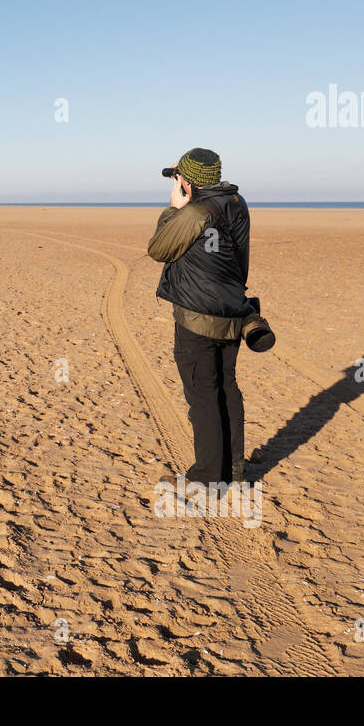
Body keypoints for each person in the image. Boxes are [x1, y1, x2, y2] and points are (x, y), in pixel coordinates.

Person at [146, 147, 266, 484]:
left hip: (198, 317)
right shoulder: (236, 203)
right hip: (233, 308)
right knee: (227, 388)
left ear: (187, 183)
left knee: (203, 395)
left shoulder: (195, 213)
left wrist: (174, 209)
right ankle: (234, 469)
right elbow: (240, 257)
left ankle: (207, 477)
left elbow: (159, 249)